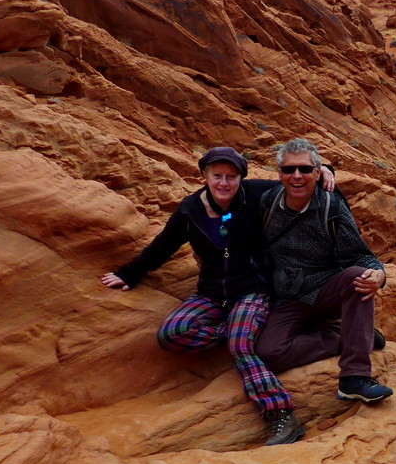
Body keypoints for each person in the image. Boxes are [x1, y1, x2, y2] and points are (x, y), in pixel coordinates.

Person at [101, 146, 331, 445]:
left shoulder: (256, 195)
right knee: (172, 334)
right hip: (211, 294)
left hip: (252, 289)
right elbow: (162, 246)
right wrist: (129, 274)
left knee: (240, 346)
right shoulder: (190, 210)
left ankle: (281, 416)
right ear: (205, 176)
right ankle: (241, 332)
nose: (224, 183)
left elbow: (297, 183)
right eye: (217, 176)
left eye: (231, 177)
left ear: (240, 179)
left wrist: (325, 170)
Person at [255, 137, 393, 404]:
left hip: (327, 289)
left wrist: (380, 275)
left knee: (358, 276)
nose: (297, 176)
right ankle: (344, 334)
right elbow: (227, 189)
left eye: (305, 169)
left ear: (317, 173)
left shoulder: (331, 207)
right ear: (279, 174)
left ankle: (354, 378)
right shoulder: (267, 202)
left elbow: (361, 255)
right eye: (289, 169)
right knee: (270, 353)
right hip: (289, 296)